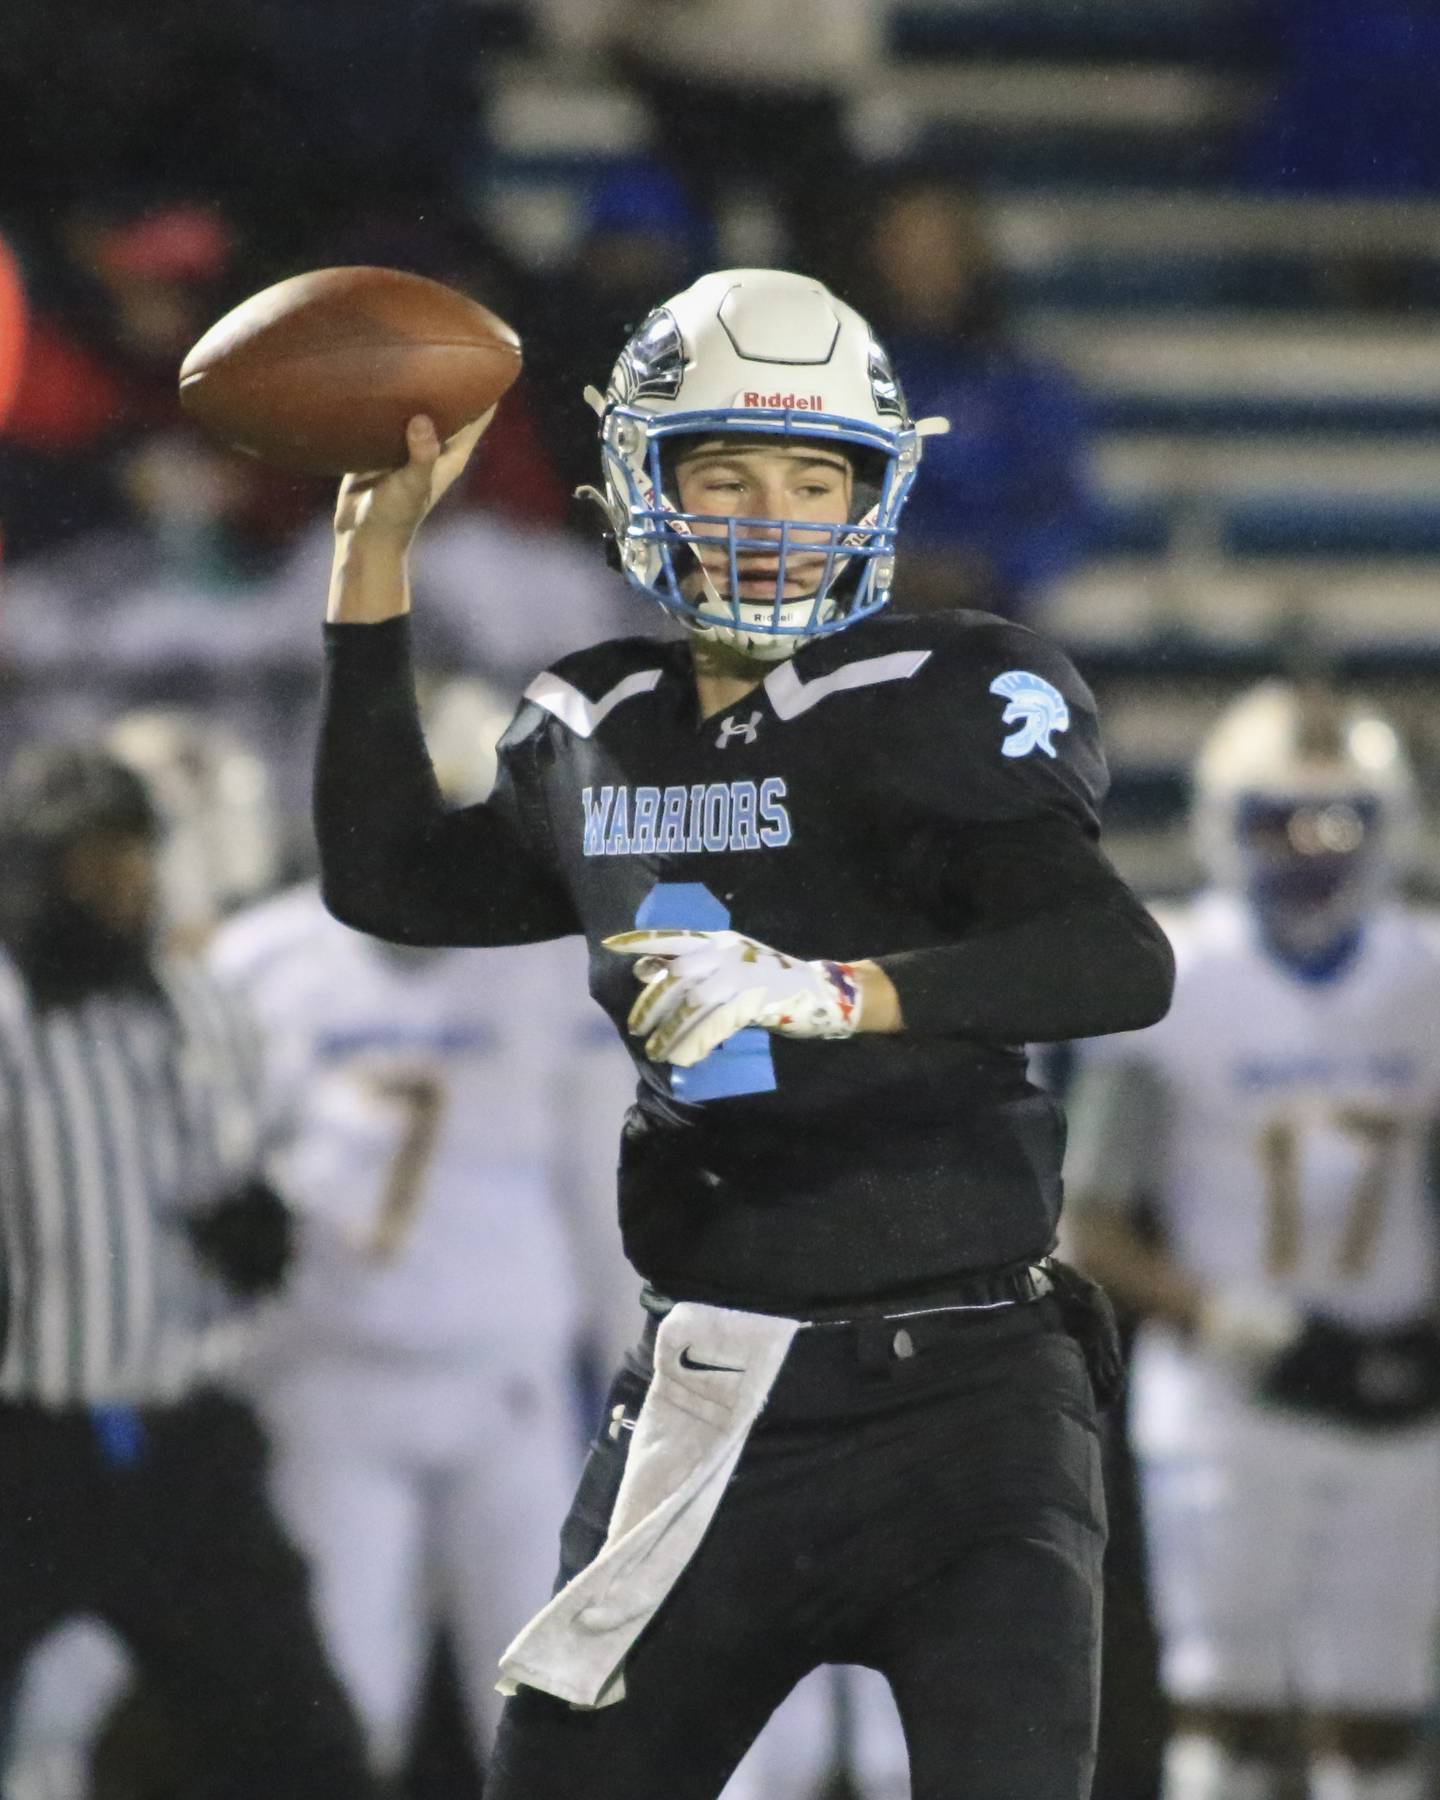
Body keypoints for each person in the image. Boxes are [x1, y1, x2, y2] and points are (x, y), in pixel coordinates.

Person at [312, 265, 1175, 1800]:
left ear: (875, 491)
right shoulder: (594, 719)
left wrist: (842, 990)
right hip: (713, 1394)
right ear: (645, 489)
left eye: (810, 473)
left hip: (971, 1401)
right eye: (724, 471)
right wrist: (372, 572)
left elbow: (1112, 957)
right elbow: (388, 880)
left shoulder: (951, 685)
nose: (769, 510)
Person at [207, 677, 638, 1786]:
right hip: (329, 1372)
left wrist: (638, 1372)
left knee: (549, 1689)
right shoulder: (261, 963)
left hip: (509, 1378)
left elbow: (600, 1183)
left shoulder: (545, 960)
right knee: (344, 1694)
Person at [1064, 680, 1440, 1800]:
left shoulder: (1424, 972)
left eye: (1341, 821)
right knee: (1221, 1716)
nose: (1313, 849)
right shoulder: (1175, 970)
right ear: (1227, 822)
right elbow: (1089, 1223)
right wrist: (1246, 1327)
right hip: (1231, 1385)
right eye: (1283, 818)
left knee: (1374, 1721)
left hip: (1403, 1383)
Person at [0, 741, 375, 1800]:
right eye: (87, 865)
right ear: (31, 871)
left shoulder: (203, 1004)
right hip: (26, 1448)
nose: (118, 889)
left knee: (304, 1745)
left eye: (132, 859)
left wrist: (259, 1221)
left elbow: (252, 1161)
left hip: (183, 1442)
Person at [856, 177, 1096, 620]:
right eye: (903, 244)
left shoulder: (1023, 383)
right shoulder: (843, 378)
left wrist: (984, 570)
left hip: (991, 620)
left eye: (936, 245)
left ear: (971, 254)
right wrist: (881, 564)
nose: (919, 263)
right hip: (863, 618)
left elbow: (1062, 510)